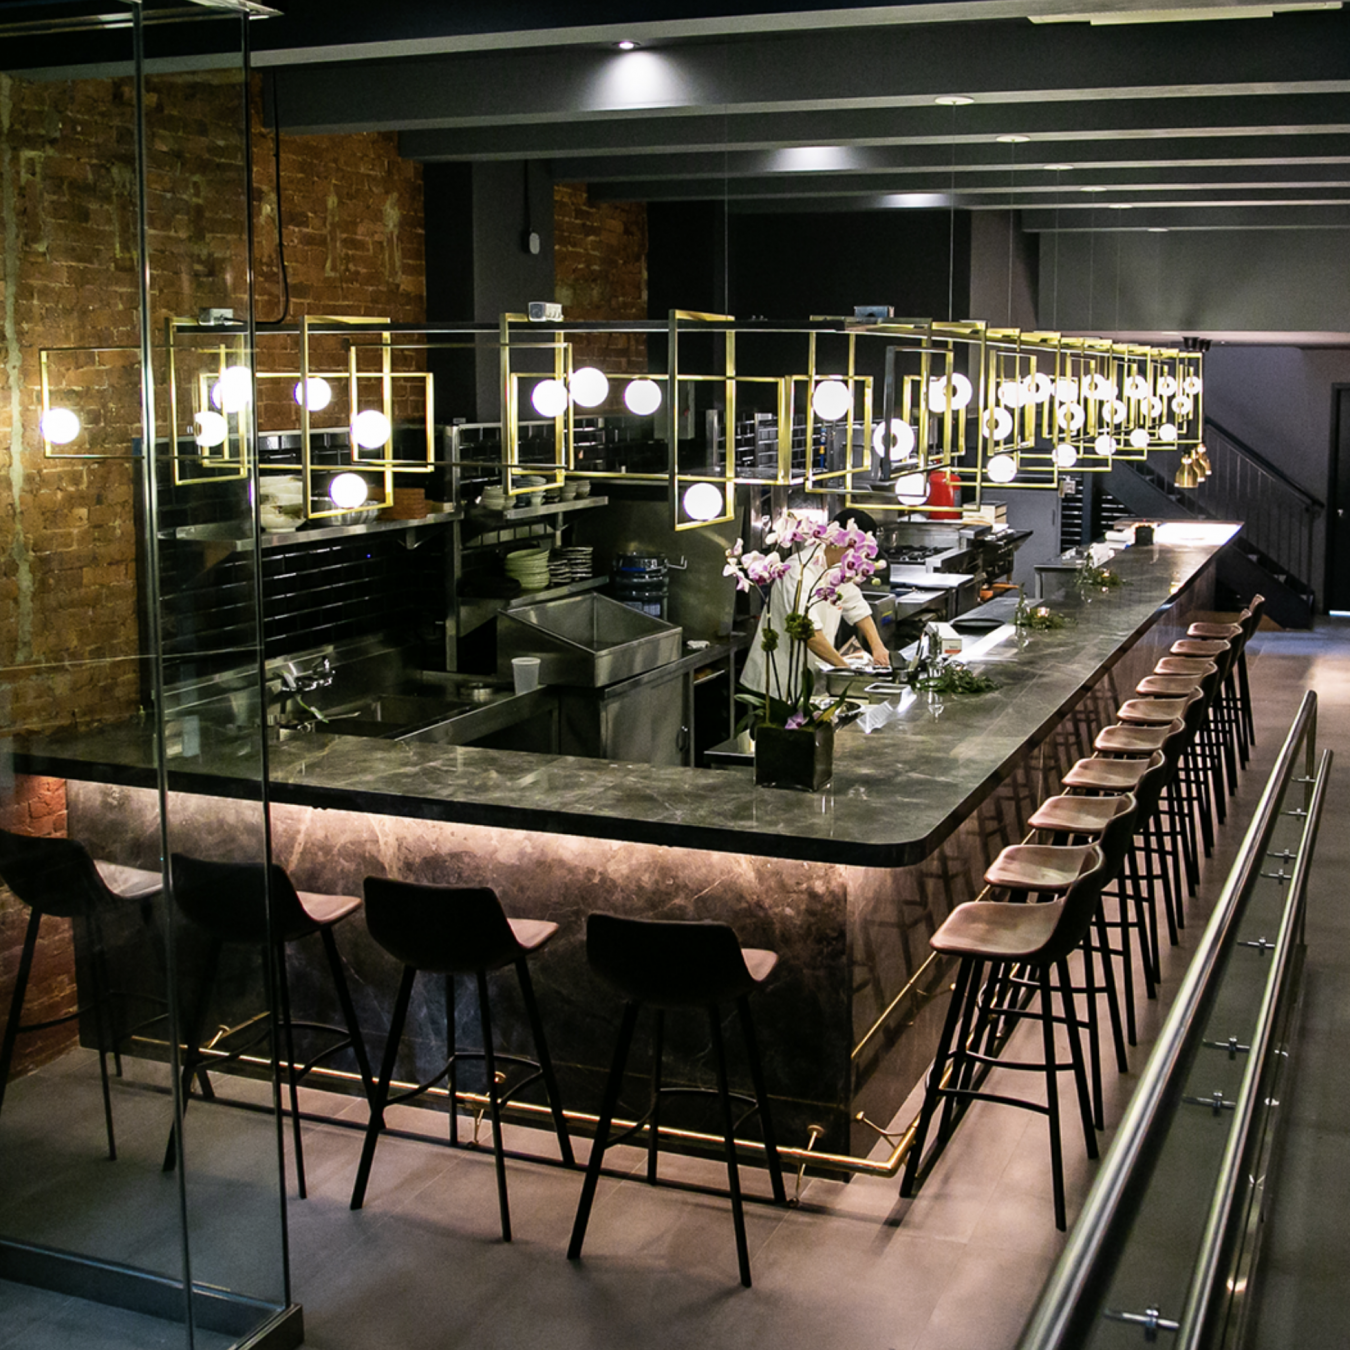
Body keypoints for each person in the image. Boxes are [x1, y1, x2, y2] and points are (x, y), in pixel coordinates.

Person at [739, 508, 892, 699]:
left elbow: (856, 606)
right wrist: (846, 671)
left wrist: (877, 646)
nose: (861, 559)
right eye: (860, 552)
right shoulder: (799, 571)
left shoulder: (839, 569)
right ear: (843, 542)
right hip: (777, 684)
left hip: (812, 675)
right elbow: (809, 633)